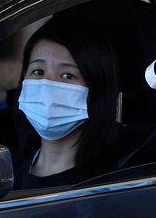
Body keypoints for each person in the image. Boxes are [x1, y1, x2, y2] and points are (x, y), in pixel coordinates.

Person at [13, 14, 120, 189]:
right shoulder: (6, 175)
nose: (47, 86)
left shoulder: (114, 183)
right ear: (24, 78)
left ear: (95, 86)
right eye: (38, 72)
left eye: (67, 75)